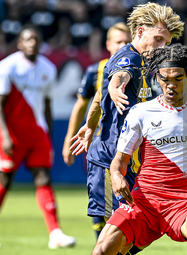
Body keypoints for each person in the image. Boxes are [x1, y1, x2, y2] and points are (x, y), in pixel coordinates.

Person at [70, 3, 184, 254]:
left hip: (131, 164)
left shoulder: (146, 64)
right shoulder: (129, 57)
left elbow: (99, 94)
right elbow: (118, 77)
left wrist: (90, 126)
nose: (162, 47)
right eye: (158, 39)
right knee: (111, 240)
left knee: (134, 236)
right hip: (111, 161)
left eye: (166, 42)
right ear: (140, 31)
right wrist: (115, 86)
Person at [88, 43, 187, 255]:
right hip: (145, 200)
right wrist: (117, 177)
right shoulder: (141, 112)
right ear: (157, 78)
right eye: (164, 79)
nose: (170, 85)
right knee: (101, 250)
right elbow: (119, 160)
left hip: (185, 200)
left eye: (177, 78)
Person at [0, 26, 75, 249]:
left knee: (44, 178)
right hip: (12, 134)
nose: (32, 43)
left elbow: (47, 106)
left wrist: (47, 136)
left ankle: (55, 233)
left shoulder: (47, 68)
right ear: (19, 43)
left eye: (36, 39)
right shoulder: (8, 66)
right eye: (27, 39)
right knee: (5, 179)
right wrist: (5, 136)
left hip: (37, 134)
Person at [62, 22, 131, 238]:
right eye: (118, 41)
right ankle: (101, 246)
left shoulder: (136, 68)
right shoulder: (96, 70)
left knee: (125, 204)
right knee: (101, 201)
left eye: (126, 41)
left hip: (129, 145)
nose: (123, 46)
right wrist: (68, 141)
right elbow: (81, 105)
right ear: (108, 44)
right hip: (102, 143)